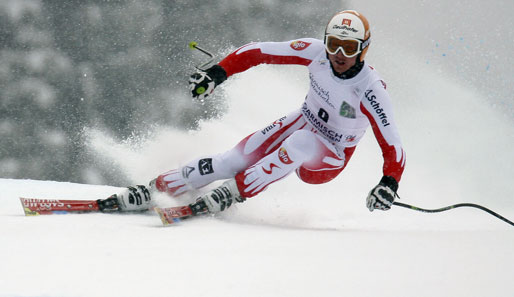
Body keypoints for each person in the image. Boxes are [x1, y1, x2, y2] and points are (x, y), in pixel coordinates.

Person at [112, 10, 406, 216]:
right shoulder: (316, 53)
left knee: (299, 143)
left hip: (330, 155)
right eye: (334, 44)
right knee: (233, 159)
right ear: (325, 42)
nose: (339, 55)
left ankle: (233, 191)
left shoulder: (370, 88)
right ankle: (159, 187)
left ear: (363, 50)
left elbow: (393, 145)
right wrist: (217, 73)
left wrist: (388, 183)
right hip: (303, 120)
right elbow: (258, 50)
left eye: (349, 47)